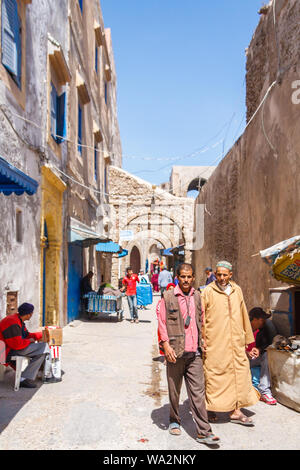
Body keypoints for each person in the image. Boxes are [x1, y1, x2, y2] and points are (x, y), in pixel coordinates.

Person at [157, 263, 220, 446]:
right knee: (175, 391)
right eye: (183, 277)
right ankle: (174, 419)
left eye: (189, 277)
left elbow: (201, 320)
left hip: (195, 353)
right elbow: (162, 323)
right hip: (175, 352)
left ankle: (203, 431)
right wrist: (166, 346)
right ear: (177, 277)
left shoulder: (198, 296)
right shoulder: (168, 296)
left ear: (193, 278)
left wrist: (204, 340)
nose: (186, 280)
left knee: (198, 393)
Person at [201, 261, 259, 426]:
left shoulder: (236, 290)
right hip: (216, 342)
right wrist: (203, 339)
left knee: (239, 375)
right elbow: (202, 318)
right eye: (218, 274)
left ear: (230, 275)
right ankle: (211, 407)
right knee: (214, 375)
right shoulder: (208, 292)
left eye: (225, 275)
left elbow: (243, 316)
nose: (221, 278)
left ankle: (236, 411)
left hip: (236, 342)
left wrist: (249, 343)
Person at [0, 303, 59, 388]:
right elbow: (17, 345)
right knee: (44, 347)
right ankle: (47, 375)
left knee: (41, 352)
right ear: (29, 314)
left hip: (12, 347)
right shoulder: (12, 322)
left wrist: (40, 335)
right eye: (32, 313)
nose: (31, 315)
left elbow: (27, 335)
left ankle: (24, 378)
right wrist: (29, 341)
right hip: (6, 351)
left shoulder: (18, 320)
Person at [247, 307, 277, 405]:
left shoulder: (263, 329)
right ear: (254, 319)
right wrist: (246, 352)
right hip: (244, 360)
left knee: (266, 355)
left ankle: (265, 392)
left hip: (255, 359)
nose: (263, 321)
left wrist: (258, 349)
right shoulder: (243, 329)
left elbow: (266, 344)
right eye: (261, 319)